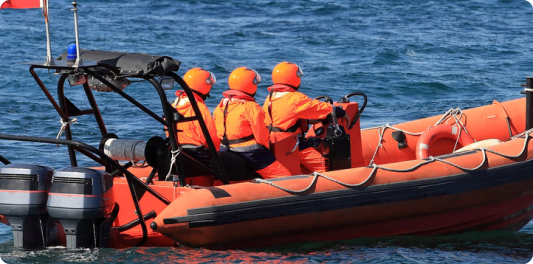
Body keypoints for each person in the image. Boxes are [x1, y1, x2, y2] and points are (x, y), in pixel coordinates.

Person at [263, 61, 350, 173]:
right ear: (294, 78)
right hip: (290, 144)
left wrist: (308, 121)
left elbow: (285, 118)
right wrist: (339, 111)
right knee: (325, 167)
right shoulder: (295, 98)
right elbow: (318, 107)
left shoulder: (270, 97)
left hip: (273, 142)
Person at [213, 67, 291, 179]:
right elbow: (261, 136)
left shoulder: (221, 105)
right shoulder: (252, 107)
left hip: (225, 149)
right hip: (250, 152)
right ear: (251, 85)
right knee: (284, 176)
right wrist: (266, 149)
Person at [172, 67, 220, 174]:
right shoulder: (199, 108)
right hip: (200, 156)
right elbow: (209, 138)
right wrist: (218, 151)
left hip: (180, 153)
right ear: (203, 85)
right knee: (227, 164)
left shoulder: (175, 104)